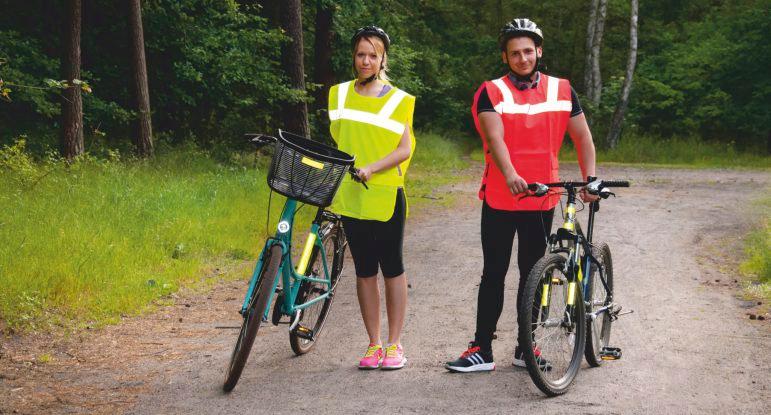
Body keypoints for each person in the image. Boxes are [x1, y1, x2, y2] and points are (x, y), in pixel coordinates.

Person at [446, 18, 598, 372]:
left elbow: (583, 137)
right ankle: (482, 348)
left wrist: (591, 178)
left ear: (539, 51)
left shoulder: (562, 89)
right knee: (494, 272)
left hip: (542, 198)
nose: (523, 58)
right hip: (502, 196)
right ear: (505, 56)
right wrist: (511, 174)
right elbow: (494, 138)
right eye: (515, 53)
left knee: (534, 274)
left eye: (528, 50)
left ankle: (525, 347)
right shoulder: (491, 91)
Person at [327, 26, 416, 370]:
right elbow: (340, 140)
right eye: (360, 54)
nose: (366, 60)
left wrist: (371, 168)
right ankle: (373, 344)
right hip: (351, 195)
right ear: (354, 57)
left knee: (391, 267)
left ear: (382, 59)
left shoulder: (398, 99)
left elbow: (404, 148)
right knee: (364, 270)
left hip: (385, 193)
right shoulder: (338, 94)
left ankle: (395, 344)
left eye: (372, 55)